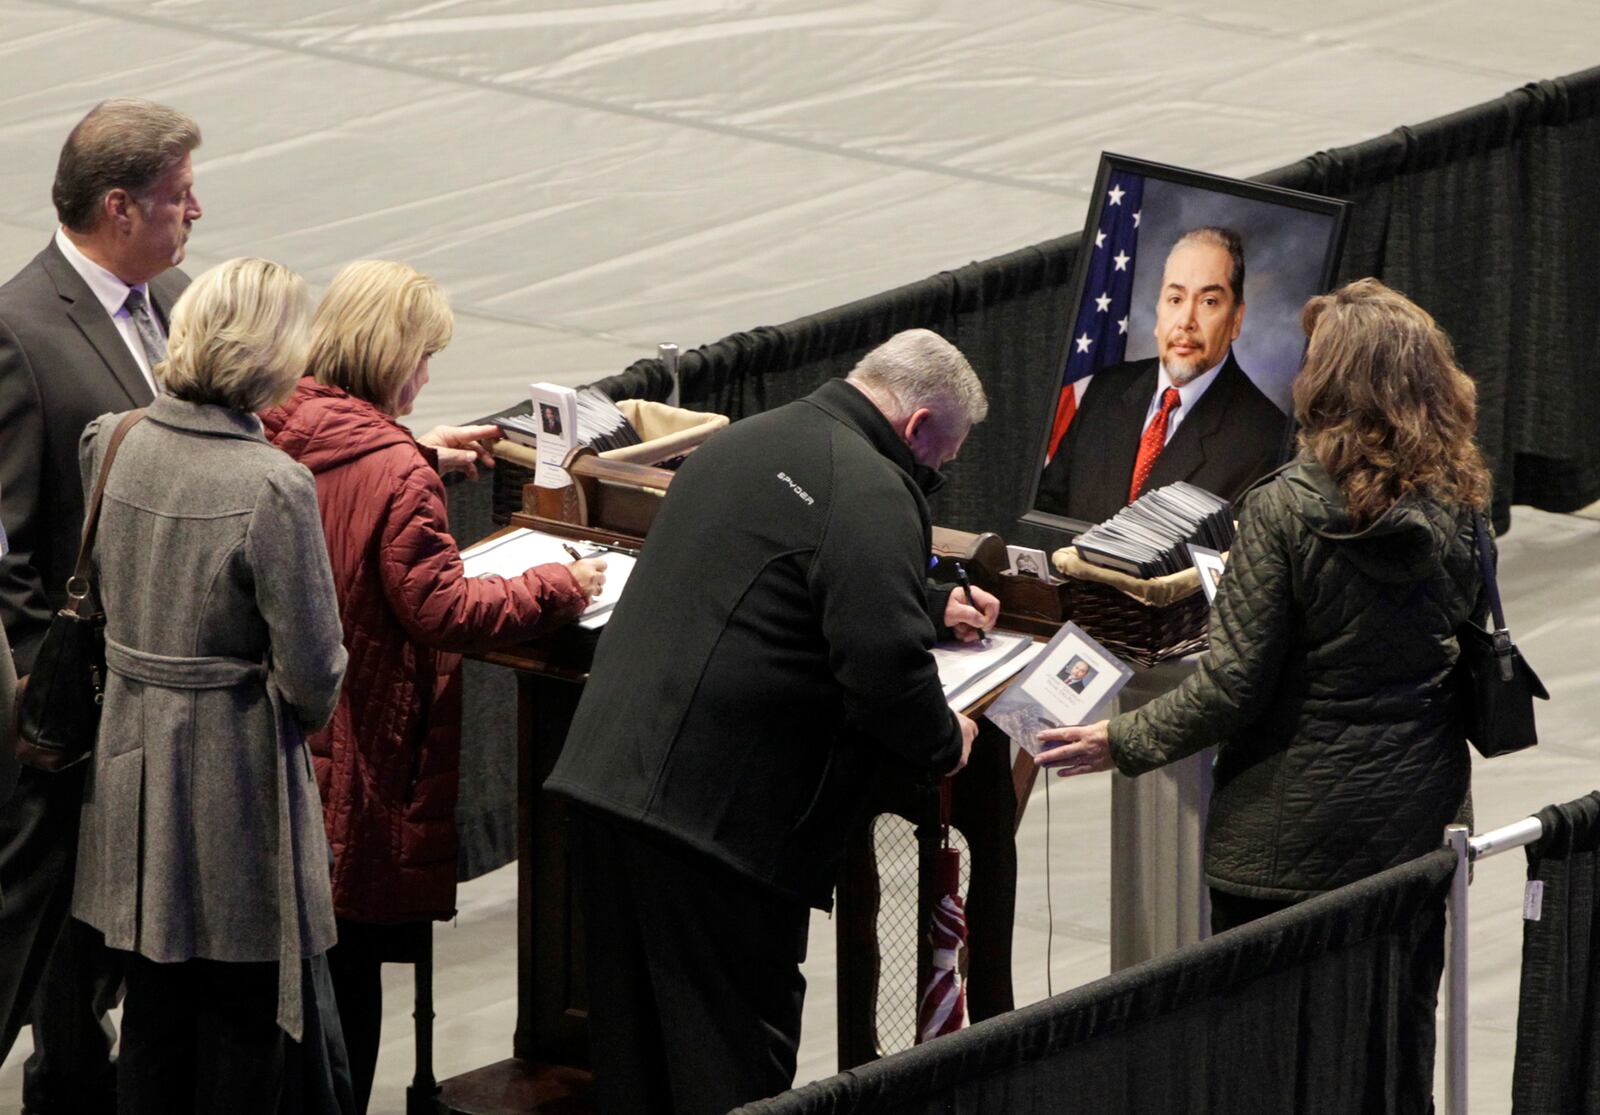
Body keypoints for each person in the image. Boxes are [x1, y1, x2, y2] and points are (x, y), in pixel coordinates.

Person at [545, 328, 1001, 1114]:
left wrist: (928, 604)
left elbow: (781, 574)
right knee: (726, 1071)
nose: (933, 477)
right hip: (713, 832)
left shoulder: (744, 440)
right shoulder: (871, 486)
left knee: (636, 1063)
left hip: (604, 788)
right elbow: (884, 671)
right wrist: (942, 739)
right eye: (940, 464)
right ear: (920, 426)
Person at [1038, 279, 1490, 932]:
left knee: (1266, 1033)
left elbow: (1233, 686)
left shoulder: (1282, 510)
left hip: (1288, 844)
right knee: (1394, 1025)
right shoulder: (1463, 497)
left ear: (1328, 382)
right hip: (1420, 823)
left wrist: (1120, 738)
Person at [260, 259, 606, 1112]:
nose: (426, 376)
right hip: (370, 749)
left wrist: (416, 450)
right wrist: (565, 585)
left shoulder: (282, 421)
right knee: (350, 982)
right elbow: (443, 607)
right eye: (423, 358)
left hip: (293, 748)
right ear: (392, 357)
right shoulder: (397, 471)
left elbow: (347, 475)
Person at [71, 257, 348, 1108]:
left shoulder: (110, 440)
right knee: (241, 1031)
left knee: (153, 1016)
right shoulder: (273, 485)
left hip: (126, 778)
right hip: (234, 788)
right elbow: (314, 671)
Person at [0, 97, 201, 1110]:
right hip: (71, 706)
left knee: (96, 928)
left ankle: (72, 1083)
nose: (194, 212)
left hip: (155, 692)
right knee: (32, 916)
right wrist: (46, 687)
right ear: (120, 207)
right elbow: (10, 539)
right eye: (177, 196)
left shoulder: (170, 295)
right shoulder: (21, 329)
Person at [1036, 226, 1288, 525]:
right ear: (1158, 311)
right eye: (1175, 299)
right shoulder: (1104, 390)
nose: (1186, 321)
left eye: (1208, 301)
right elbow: (1047, 510)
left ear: (1236, 320)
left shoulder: (1267, 441)